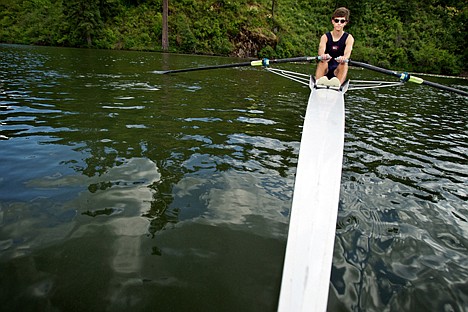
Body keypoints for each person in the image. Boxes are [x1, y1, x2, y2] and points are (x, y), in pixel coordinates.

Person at [315, 7, 354, 86]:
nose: (339, 23)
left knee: (344, 64)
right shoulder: (325, 37)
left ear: (345, 23)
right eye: (337, 21)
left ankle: (337, 86)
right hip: (326, 67)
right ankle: (318, 84)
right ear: (333, 21)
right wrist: (323, 55)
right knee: (323, 61)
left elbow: (347, 53)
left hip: (338, 69)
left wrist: (344, 58)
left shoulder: (349, 38)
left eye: (342, 21)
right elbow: (321, 50)